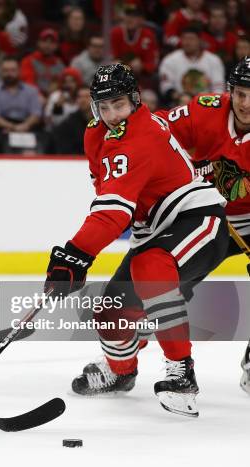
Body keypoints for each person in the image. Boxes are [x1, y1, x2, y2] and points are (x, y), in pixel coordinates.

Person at [46, 64, 228, 417]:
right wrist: (77, 258)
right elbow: (111, 198)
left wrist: (75, 255)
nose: (112, 115)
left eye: (119, 104)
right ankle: (120, 372)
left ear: (135, 99)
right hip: (155, 231)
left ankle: (182, 374)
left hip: (199, 220)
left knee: (149, 267)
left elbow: (113, 213)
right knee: (111, 314)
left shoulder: (140, 136)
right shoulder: (94, 135)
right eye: (104, 106)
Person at [155, 57, 250, 394]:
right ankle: (121, 361)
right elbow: (156, 131)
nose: (246, 103)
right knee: (161, 285)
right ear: (230, 92)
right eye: (240, 93)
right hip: (204, 214)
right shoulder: (204, 110)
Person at [159, 25, 225, 107]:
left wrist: (205, 101)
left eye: (191, 39)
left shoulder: (214, 60)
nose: (187, 42)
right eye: (184, 39)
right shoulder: (170, 60)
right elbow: (166, 87)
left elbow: (219, 88)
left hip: (208, 105)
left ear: (200, 41)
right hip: (179, 105)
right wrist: (180, 97)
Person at [20, 28, 65, 98]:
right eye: (44, 41)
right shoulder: (28, 61)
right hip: (32, 98)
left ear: (56, 46)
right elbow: (28, 84)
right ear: (38, 43)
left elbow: (62, 86)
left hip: (53, 100)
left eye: (51, 42)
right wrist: (39, 95)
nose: (47, 45)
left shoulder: (60, 65)